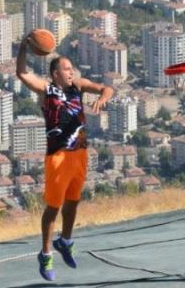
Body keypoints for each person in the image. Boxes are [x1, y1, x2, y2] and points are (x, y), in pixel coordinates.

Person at [15, 36, 114, 281]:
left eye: (72, 69)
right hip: (58, 157)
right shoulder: (46, 91)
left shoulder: (77, 86)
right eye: (67, 69)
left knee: (73, 202)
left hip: (80, 154)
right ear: (55, 73)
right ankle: (46, 253)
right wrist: (23, 48)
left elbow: (107, 88)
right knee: (53, 207)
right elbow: (22, 74)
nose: (72, 72)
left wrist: (103, 97)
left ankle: (65, 241)